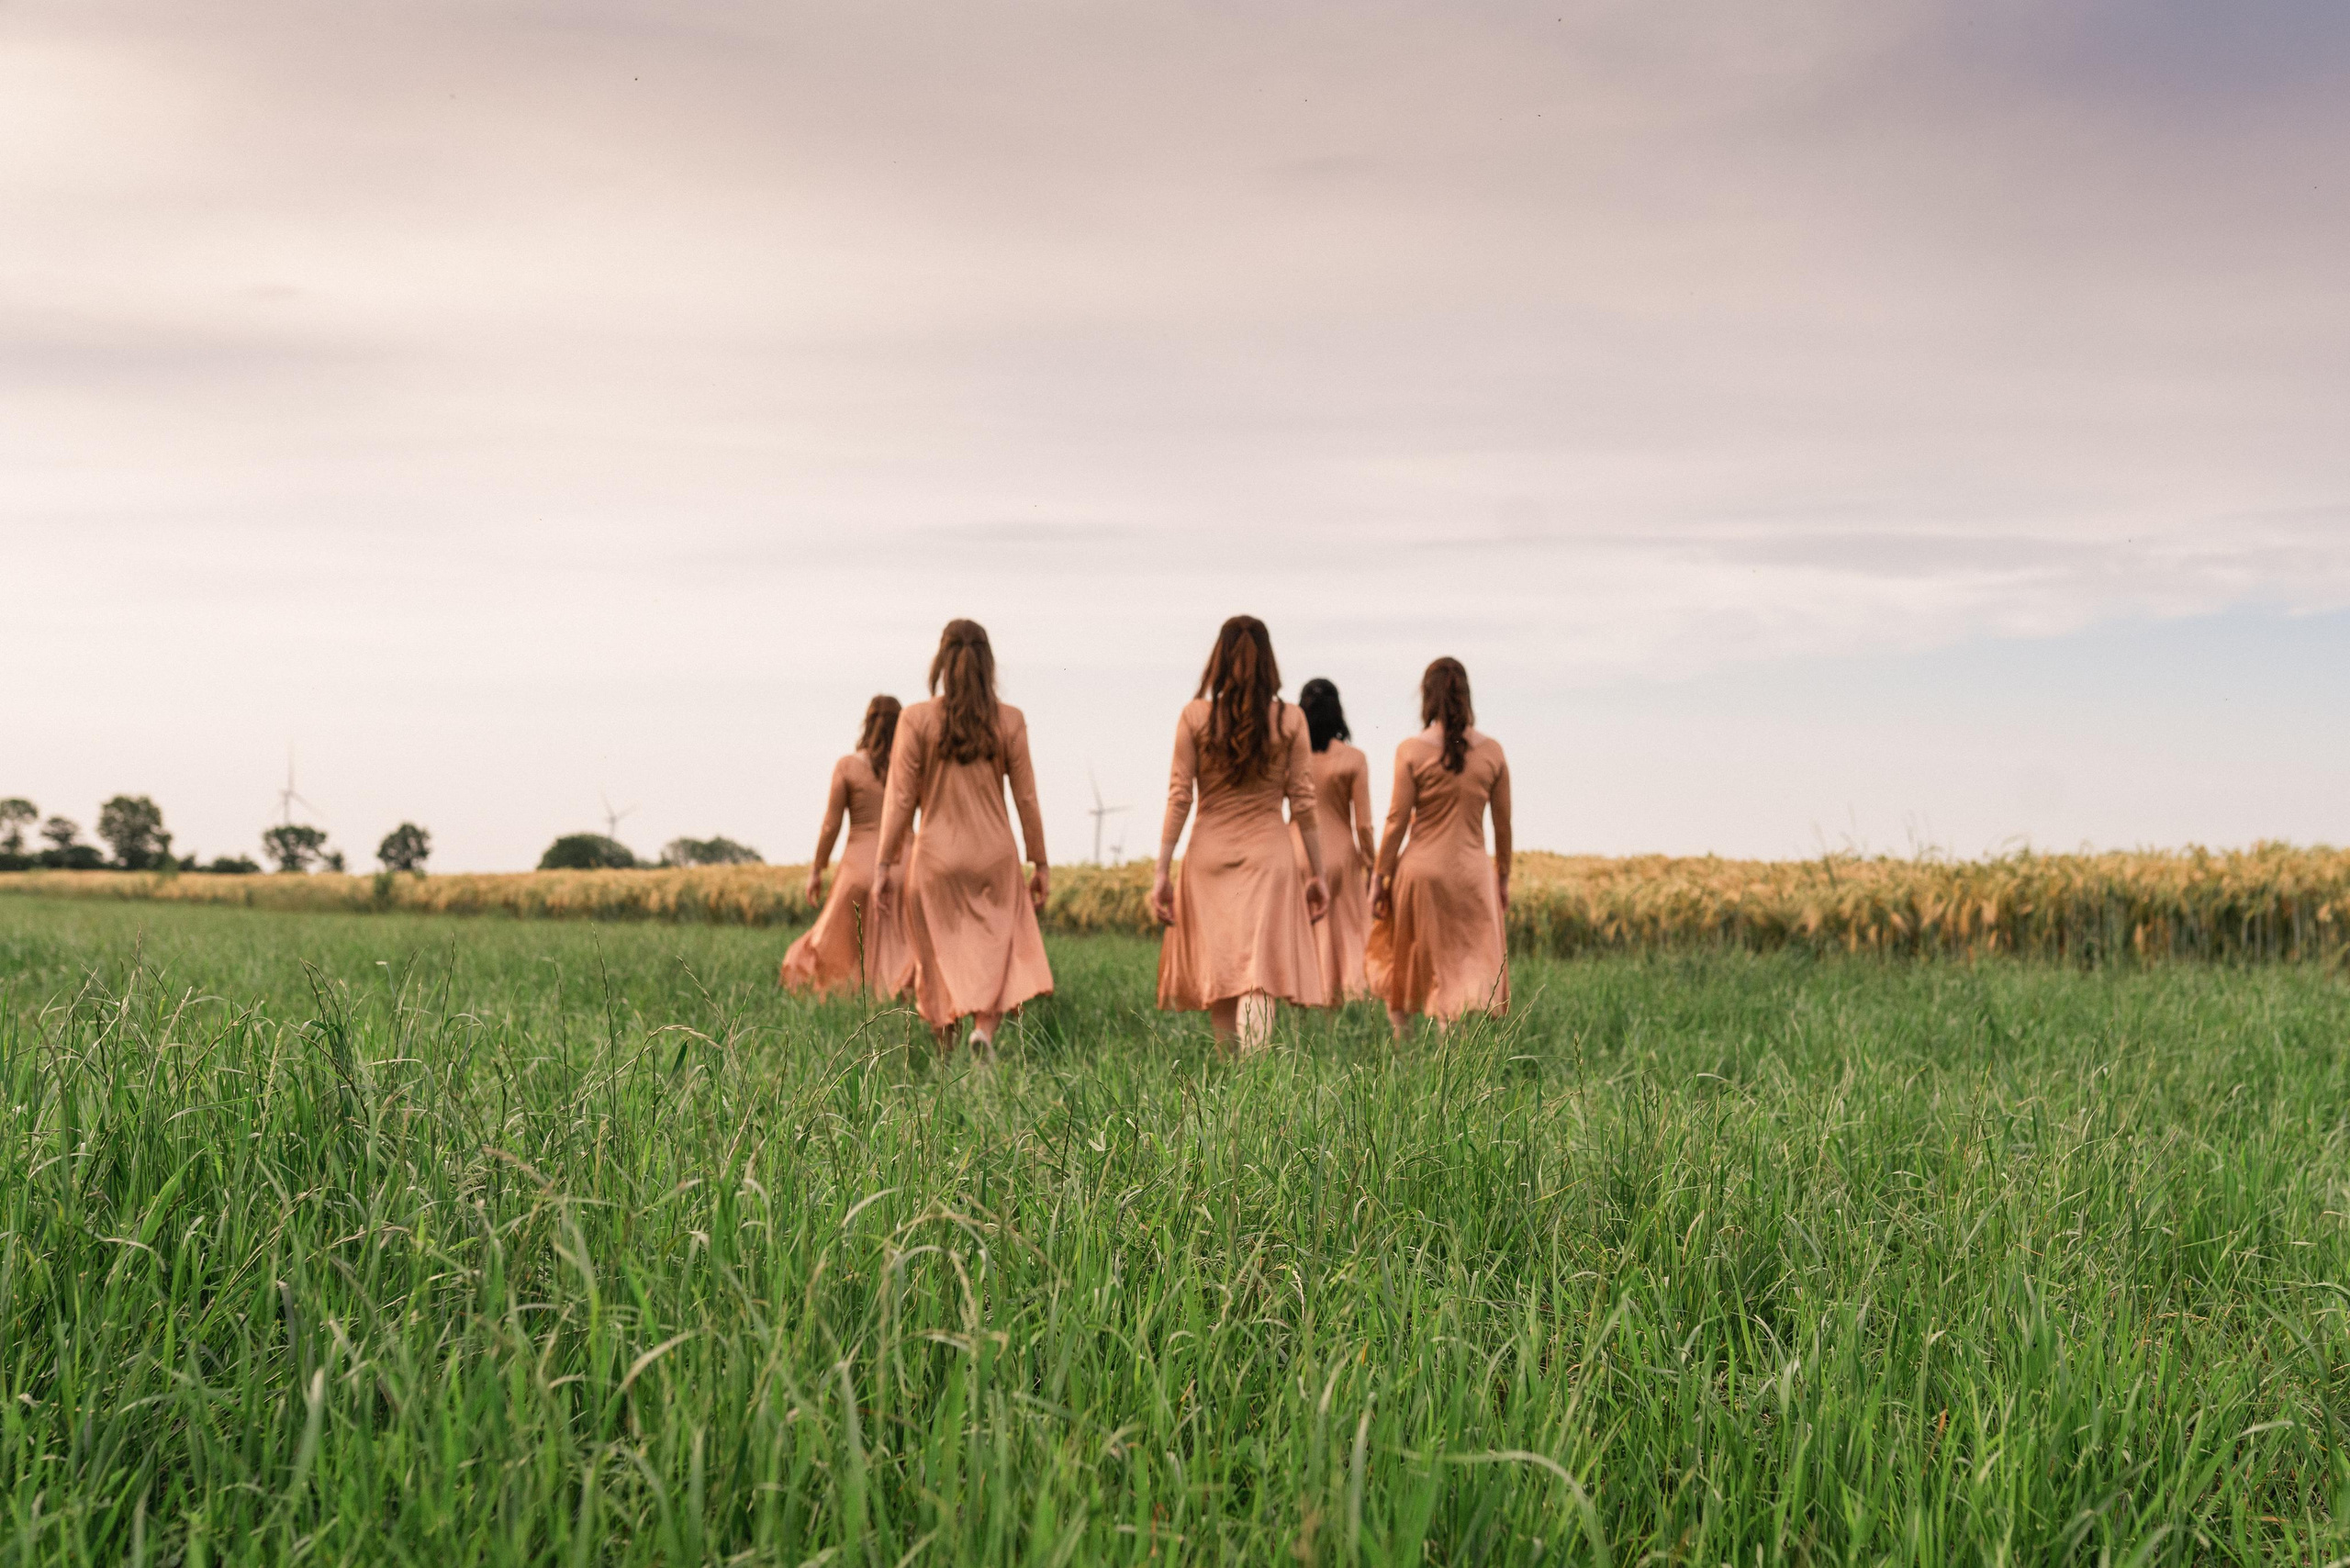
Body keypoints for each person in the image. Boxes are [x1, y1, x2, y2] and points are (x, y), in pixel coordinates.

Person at [1152, 615, 1329, 1051]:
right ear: (1269, 661)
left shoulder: (1195, 717)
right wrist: (1318, 874)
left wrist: (1161, 871)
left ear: (1219, 657)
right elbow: (1304, 801)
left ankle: (1233, 1084)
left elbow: (1179, 797)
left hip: (1207, 856)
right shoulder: (1290, 720)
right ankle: (1254, 1081)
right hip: (1269, 854)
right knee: (1259, 974)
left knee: (1224, 969)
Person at [874, 620, 1052, 1052]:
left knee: (936, 957)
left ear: (941, 659)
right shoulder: (1010, 720)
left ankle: (946, 1054)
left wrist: (883, 863)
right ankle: (983, 1032)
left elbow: (899, 799)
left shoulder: (916, 719)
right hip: (995, 856)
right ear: (988, 662)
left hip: (935, 858)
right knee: (995, 949)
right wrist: (1040, 861)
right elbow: (1026, 797)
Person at [1367, 656, 1513, 1036]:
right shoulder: (1493, 752)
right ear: (1467, 696)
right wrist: (1503, 878)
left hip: (1420, 873)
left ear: (1426, 697)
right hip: (1472, 873)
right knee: (1463, 965)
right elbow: (1502, 826)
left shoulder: (1411, 751)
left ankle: (1402, 1045)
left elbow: (1397, 821)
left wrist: (1379, 877)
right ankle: (1453, 1053)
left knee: (1405, 955)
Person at [778, 695, 911, 998]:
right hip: (906, 863)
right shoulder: (910, 768)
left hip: (858, 868)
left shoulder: (848, 766)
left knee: (839, 942)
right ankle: (901, 993)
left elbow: (831, 825)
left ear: (866, 723)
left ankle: (852, 997)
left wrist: (817, 869)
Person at [1291, 678, 1378, 1002]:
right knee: (1340, 933)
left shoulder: (1292, 756)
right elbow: (1364, 825)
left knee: (1304, 931)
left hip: (1296, 847)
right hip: (1341, 852)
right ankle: (1333, 1002)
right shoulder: (1354, 759)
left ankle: (1301, 999)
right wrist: (1373, 865)